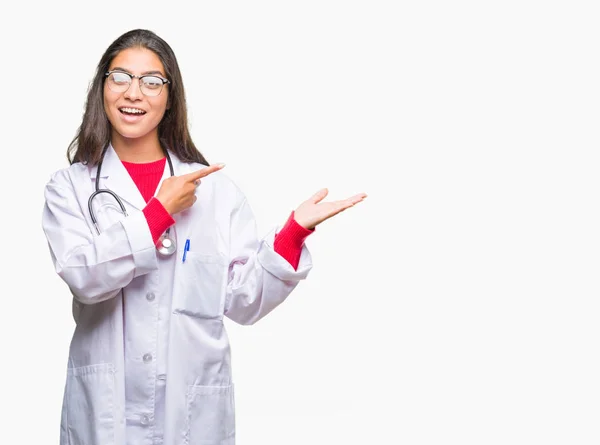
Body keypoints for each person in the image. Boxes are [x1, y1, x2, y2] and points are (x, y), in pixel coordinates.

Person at [41, 28, 366, 445]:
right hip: (107, 414)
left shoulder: (215, 192)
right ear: (102, 87)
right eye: (120, 77)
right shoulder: (70, 187)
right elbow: (84, 278)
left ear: (170, 97)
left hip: (191, 413)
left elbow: (243, 301)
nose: (133, 93)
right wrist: (158, 214)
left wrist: (293, 233)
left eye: (151, 81)